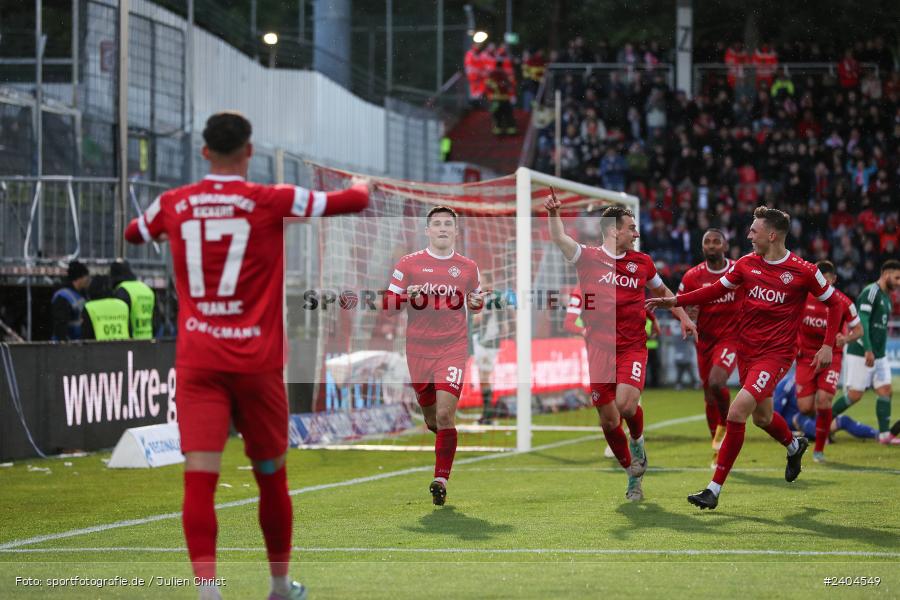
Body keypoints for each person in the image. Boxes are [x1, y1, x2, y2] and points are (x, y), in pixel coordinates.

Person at [124, 111, 369, 600]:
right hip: (257, 365)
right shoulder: (270, 199)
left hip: (200, 363)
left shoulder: (174, 203)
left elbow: (134, 233)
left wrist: (173, 227)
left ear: (205, 151)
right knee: (271, 477)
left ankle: (208, 593)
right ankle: (279, 587)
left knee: (200, 479)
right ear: (250, 151)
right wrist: (362, 185)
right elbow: (352, 201)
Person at [647, 207, 846, 510]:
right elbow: (714, 291)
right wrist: (675, 301)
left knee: (737, 412)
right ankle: (794, 446)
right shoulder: (746, 264)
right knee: (762, 418)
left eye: (754, 230)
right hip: (747, 352)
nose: (749, 235)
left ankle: (713, 489)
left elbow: (836, 304)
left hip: (776, 355)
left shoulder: (803, 270)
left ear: (772, 235)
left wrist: (828, 345)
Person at [546, 191, 697, 501]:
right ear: (614, 230)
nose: (636, 234)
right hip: (599, 350)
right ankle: (631, 474)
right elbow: (560, 238)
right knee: (608, 420)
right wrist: (553, 213)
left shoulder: (642, 262)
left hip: (632, 346)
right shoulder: (587, 257)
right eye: (631, 228)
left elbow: (663, 291)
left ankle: (638, 441)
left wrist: (683, 316)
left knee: (626, 406)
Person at [385, 206, 486, 505]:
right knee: (432, 419)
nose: (443, 228)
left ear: (456, 231)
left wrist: (477, 303)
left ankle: (440, 479)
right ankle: (444, 439)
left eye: (448, 224)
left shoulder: (468, 267)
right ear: (427, 231)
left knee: (444, 414)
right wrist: (408, 297)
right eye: (437, 224)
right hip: (418, 349)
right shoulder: (409, 263)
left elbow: (477, 301)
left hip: (452, 347)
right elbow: (388, 305)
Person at [678, 229, 743, 466]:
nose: (712, 245)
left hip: (731, 339)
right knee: (709, 396)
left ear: (725, 246)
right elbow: (679, 304)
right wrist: (686, 318)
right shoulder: (692, 276)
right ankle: (717, 449)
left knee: (717, 382)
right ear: (702, 247)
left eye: (717, 241)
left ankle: (726, 423)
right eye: (707, 242)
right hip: (704, 341)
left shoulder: (738, 270)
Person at [794, 260, 863, 462]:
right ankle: (823, 424)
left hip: (831, 356)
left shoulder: (843, 302)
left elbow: (859, 330)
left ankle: (819, 449)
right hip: (806, 357)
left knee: (824, 399)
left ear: (834, 279)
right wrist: (795, 344)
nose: (821, 282)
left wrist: (846, 339)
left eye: (826, 279)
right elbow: (790, 321)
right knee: (805, 407)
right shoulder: (801, 297)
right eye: (818, 278)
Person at [830, 259, 900, 444]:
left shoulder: (887, 298)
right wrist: (868, 349)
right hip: (861, 352)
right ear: (886, 274)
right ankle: (821, 424)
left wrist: (877, 352)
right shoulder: (871, 292)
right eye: (897, 278)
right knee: (855, 395)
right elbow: (863, 323)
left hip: (880, 355)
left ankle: (884, 435)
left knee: (885, 390)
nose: (899, 282)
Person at [774, 372, 878, 443]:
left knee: (843, 420)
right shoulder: (787, 383)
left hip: (813, 419)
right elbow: (775, 411)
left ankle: (877, 434)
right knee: (800, 418)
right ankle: (820, 437)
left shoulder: (819, 380)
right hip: (793, 421)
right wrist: (781, 431)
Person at [472, 272, 507, 425]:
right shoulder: (495, 296)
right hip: (485, 341)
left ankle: (488, 414)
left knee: (484, 377)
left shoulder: (491, 298)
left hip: (488, 342)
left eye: (483, 282)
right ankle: (487, 413)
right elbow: (504, 323)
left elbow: (478, 319)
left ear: (489, 282)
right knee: (483, 377)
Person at [110, 259, 157, 339]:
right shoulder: (147, 289)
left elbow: (121, 319)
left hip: (131, 342)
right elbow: (155, 319)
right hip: (148, 339)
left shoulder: (122, 290)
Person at [51, 261, 90, 341]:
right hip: (66, 343)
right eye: (86, 277)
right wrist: (65, 343)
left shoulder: (81, 295)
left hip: (77, 342)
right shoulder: (63, 296)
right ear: (79, 278)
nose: (88, 280)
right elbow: (60, 324)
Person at [82, 276, 130, 341]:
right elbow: (129, 329)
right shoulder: (123, 305)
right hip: (124, 345)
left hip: (99, 346)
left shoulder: (89, 307)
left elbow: (87, 334)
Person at [485, 65, 517, 135]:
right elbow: (510, 86)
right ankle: (511, 128)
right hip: (505, 99)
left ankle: (498, 128)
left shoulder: (492, 76)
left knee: (497, 115)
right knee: (508, 114)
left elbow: (488, 87)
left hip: (495, 99)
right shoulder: (505, 76)